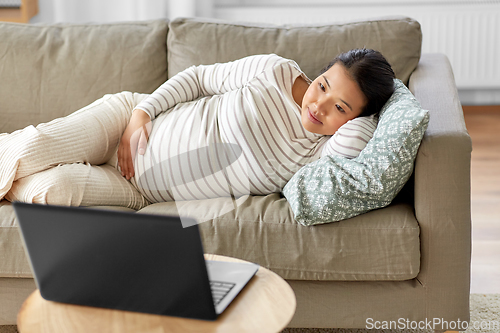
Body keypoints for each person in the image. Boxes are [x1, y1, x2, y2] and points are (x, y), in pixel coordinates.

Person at [0, 48, 395, 209]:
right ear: (322, 71)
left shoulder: (319, 154)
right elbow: (199, 78)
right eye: (323, 84)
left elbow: (356, 141)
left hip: (140, 191)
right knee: (32, 147)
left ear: (356, 118)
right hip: (128, 122)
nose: (317, 104)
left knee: (48, 191)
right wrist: (142, 113)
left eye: (339, 107)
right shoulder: (275, 72)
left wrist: (372, 114)